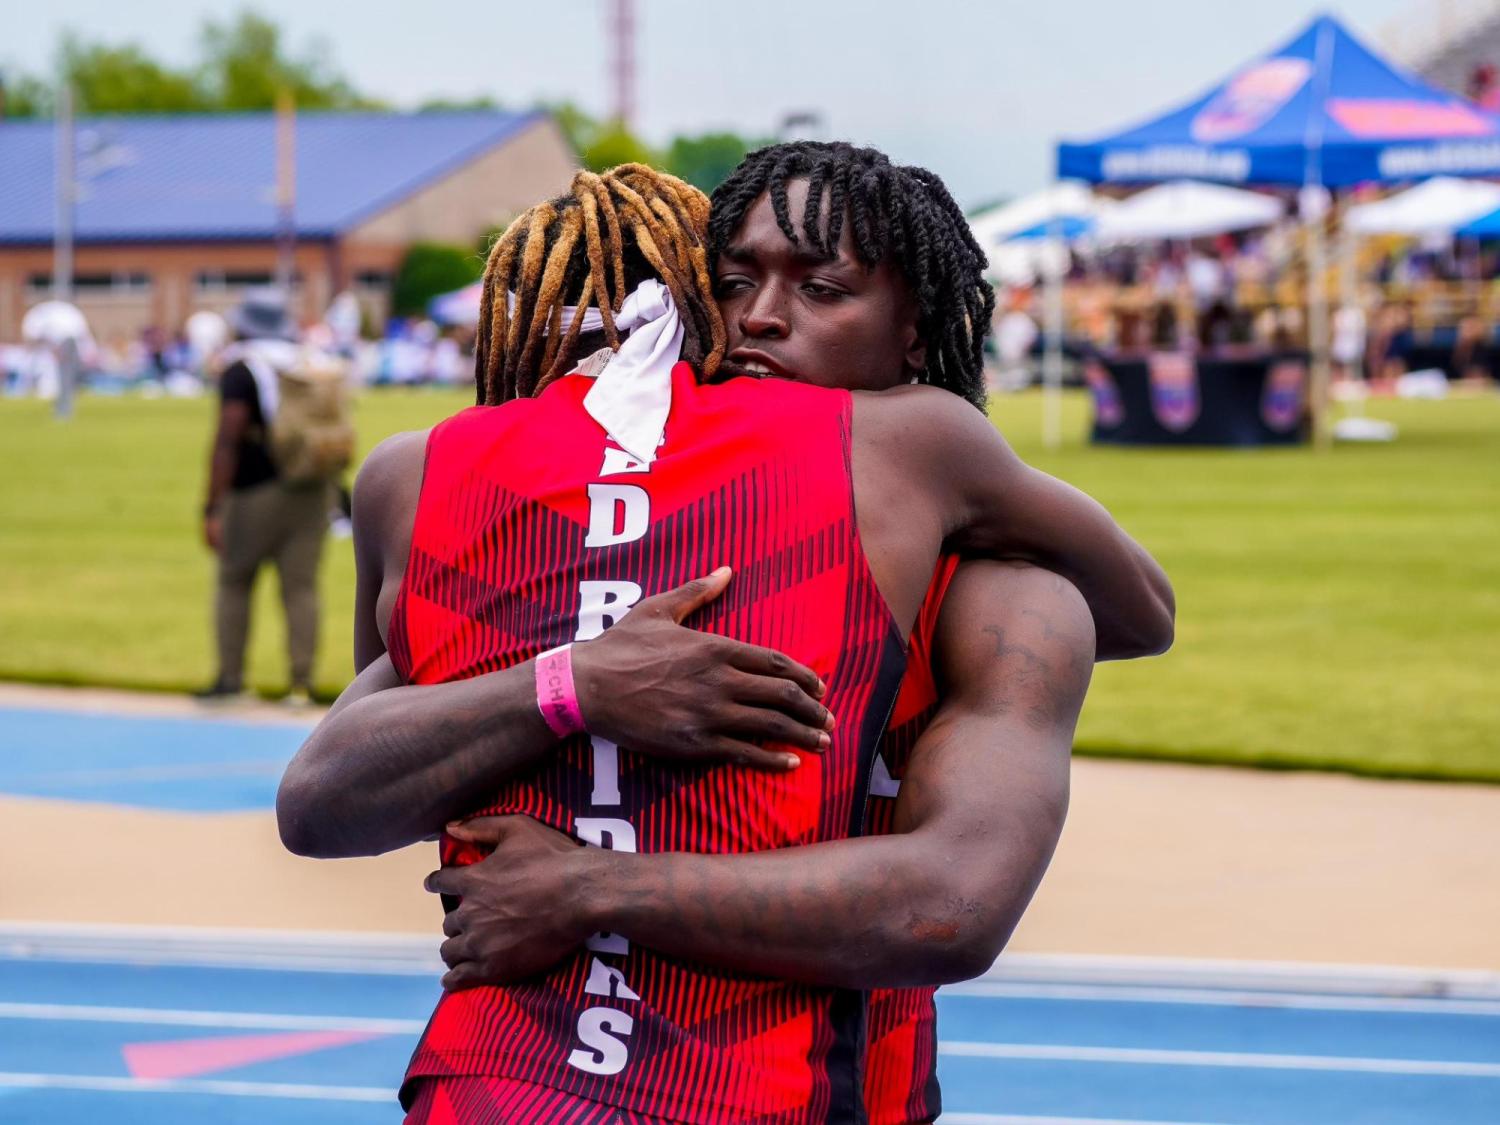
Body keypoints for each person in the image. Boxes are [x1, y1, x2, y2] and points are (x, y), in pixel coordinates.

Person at [279, 154, 1171, 1123]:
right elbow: (323, 803)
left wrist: (590, 887)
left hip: (742, 1086)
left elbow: (953, 904)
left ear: (915, 332)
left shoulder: (982, 558)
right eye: (733, 284)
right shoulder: (523, 530)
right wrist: (571, 682)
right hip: (566, 1085)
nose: (760, 318)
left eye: (821, 289)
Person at [198, 288, 331, 704]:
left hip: (255, 489)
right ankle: (301, 683)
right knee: (301, 589)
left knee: (235, 581)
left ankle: (231, 679)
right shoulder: (310, 361)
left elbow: (228, 436)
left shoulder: (243, 367)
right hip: (313, 488)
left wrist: (213, 504)